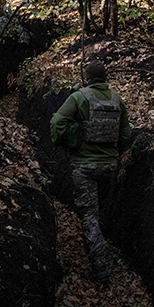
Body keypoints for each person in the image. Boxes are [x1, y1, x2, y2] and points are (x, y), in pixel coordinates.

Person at [50, 60, 131, 285]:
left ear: (87, 78)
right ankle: (99, 247)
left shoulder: (79, 97)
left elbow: (58, 121)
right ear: (105, 78)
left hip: (84, 168)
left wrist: (62, 141)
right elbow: (126, 135)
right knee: (98, 210)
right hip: (110, 168)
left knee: (89, 215)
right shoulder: (118, 100)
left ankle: (101, 271)